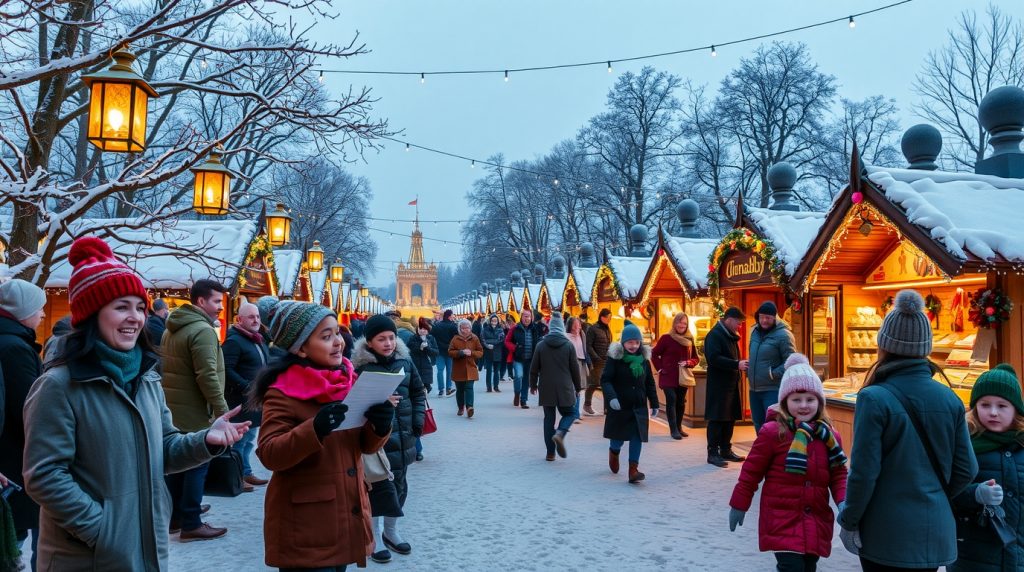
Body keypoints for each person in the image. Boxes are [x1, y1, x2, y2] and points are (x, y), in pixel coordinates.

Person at [22, 236, 249, 570]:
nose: (135, 317)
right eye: (121, 307)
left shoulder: (146, 379)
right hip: (89, 558)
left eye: (140, 308)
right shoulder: (58, 386)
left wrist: (206, 440)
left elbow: (164, 448)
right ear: (92, 315)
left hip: (146, 550)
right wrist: (103, 530)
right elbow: (44, 476)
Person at [838, 290, 978, 571]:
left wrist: (849, 521)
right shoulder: (950, 399)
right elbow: (967, 469)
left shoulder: (874, 398)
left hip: (885, 533)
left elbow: (864, 473)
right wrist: (934, 494)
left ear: (884, 345)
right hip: (935, 532)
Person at [250, 300, 394, 571]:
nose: (338, 342)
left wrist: (380, 426)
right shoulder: (282, 390)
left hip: (345, 514)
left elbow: (362, 446)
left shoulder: (346, 380)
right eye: (326, 337)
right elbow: (269, 453)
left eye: (337, 332)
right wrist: (313, 429)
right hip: (307, 527)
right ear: (301, 348)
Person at [728, 354, 848, 572]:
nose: (804, 405)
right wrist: (739, 504)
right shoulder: (773, 432)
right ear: (785, 401)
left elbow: (839, 475)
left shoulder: (829, 435)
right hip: (782, 518)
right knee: (791, 567)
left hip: (816, 518)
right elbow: (751, 472)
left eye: (810, 399)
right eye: (796, 399)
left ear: (820, 402)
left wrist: (843, 502)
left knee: (809, 567)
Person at [351, 315, 426, 564]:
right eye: (381, 339)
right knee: (377, 488)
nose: (388, 343)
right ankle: (374, 536)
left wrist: (417, 422)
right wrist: (380, 401)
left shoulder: (405, 361)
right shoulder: (360, 368)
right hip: (376, 441)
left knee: (401, 486)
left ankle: (391, 530)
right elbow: (353, 405)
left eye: (391, 338)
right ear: (369, 342)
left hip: (404, 436)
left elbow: (417, 392)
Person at [161, 278, 232, 540]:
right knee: (197, 463)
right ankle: (191, 521)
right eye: (217, 301)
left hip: (175, 409)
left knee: (178, 465)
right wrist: (222, 410)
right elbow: (207, 375)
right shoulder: (202, 330)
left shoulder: (172, 328)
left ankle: (175, 516)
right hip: (197, 410)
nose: (221, 307)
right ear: (201, 301)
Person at [950, 364, 1024, 572]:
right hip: (973, 558)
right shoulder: (963, 445)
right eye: (985, 405)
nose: (993, 412)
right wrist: (975, 493)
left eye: (1002, 406)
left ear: (1015, 409)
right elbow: (945, 491)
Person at [0, 279, 46, 570]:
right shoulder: (14, 348)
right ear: (23, 310)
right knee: (12, 536)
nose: (43, 314)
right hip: (13, 459)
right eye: (39, 308)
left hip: (10, 456)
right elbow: (27, 407)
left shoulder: (11, 341)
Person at [602, 321, 659, 484]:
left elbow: (649, 382)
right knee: (618, 438)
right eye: (630, 342)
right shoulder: (615, 358)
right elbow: (606, 380)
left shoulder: (644, 360)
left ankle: (633, 470)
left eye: (637, 342)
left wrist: (654, 403)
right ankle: (614, 452)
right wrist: (612, 398)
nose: (634, 345)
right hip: (620, 406)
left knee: (637, 437)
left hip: (639, 406)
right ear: (623, 342)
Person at [222, 301, 271, 489]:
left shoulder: (257, 339)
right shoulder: (234, 341)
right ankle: (237, 477)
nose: (256, 320)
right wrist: (247, 386)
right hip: (241, 400)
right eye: (251, 317)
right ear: (239, 319)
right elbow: (226, 369)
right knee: (240, 440)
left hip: (255, 399)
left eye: (257, 316)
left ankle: (246, 472)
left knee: (249, 439)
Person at [530, 313, 582, 461]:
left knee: (548, 419)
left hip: (546, 387)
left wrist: (533, 385)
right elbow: (575, 369)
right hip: (565, 387)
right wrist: (578, 387)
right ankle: (560, 432)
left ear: (550, 328)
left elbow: (534, 368)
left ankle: (550, 453)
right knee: (570, 413)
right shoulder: (568, 345)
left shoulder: (541, 345)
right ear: (562, 328)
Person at [704, 306, 749, 468]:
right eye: (738, 322)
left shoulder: (730, 335)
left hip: (731, 384)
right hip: (718, 386)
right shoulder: (715, 335)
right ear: (729, 320)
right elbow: (714, 358)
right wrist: (736, 364)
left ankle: (725, 449)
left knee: (729, 418)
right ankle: (712, 453)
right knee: (717, 418)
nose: (740, 326)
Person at [747, 301, 797, 433]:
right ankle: (762, 447)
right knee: (758, 424)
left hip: (773, 389)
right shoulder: (754, 332)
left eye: (768, 317)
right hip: (754, 389)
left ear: (775, 318)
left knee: (773, 425)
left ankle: (775, 447)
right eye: (761, 317)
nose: (764, 320)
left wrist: (773, 373)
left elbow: (791, 361)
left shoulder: (784, 335)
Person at [651, 312, 700, 440]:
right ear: (675, 323)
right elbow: (654, 354)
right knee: (671, 399)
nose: (682, 325)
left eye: (684, 323)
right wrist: (660, 368)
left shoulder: (689, 339)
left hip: (683, 376)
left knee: (680, 402)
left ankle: (679, 427)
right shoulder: (666, 338)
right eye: (679, 322)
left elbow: (696, 358)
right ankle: (673, 430)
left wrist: (688, 362)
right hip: (668, 375)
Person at [408, 318, 438, 462]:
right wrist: (419, 347)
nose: (422, 330)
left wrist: (427, 348)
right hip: (414, 375)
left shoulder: (431, 339)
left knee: (418, 410)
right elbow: (409, 351)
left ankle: (418, 447)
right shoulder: (412, 339)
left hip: (425, 375)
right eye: (420, 328)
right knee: (414, 412)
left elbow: (435, 353)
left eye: (425, 328)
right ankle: (417, 448)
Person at [509, 309, 544, 409]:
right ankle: (517, 393)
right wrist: (515, 348)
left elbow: (540, 340)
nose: (527, 318)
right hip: (518, 358)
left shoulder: (535, 329)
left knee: (526, 380)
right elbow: (507, 341)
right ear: (521, 317)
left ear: (531, 318)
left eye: (528, 316)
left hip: (530, 359)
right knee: (519, 376)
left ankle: (523, 400)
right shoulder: (515, 328)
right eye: (525, 316)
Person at [449, 319, 484, 417]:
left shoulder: (474, 338)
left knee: (469, 387)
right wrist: (460, 352)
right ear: (459, 329)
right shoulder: (455, 339)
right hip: (458, 368)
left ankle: (469, 407)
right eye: (463, 328)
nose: (465, 330)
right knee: (460, 389)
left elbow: (480, 352)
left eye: (467, 328)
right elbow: (450, 352)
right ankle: (461, 407)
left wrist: (472, 353)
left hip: (470, 367)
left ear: (470, 328)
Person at [584, 308, 613, 415]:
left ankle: (607, 408)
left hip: (606, 360)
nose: (609, 319)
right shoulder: (593, 329)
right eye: (608, 317)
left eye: (610, 317)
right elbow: (588, 346)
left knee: (606, 384)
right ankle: (587, 404)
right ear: (602, 317)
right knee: (594, 383)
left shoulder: (607, 329)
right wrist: (596, 357)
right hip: (597, 361)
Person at [565, 316, 589, 422]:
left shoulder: (582, 334)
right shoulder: (566, 337)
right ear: (570, 326)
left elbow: (585, 348)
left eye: (578, 325)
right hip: (571, 363)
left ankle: (577, 413)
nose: (578, 327)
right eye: (575, 325)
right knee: (574, 389)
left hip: (581, 363)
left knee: (581, 388)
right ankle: (574, 413)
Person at [432, 310, 458, 398]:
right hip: (450, 351)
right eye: (452, 315)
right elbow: (456, 338)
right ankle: (448, 388)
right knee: (449, 370)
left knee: (440, 370)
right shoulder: (453, 326)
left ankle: (441, 389)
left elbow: (432, 336)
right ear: (449, 316)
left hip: (439, 351)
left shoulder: (437, 325)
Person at [480, 314, 505, 392]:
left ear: (498, 321)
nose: (494, 322)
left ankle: (496, 386)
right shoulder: (485, 329)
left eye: (495, 320)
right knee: (489, 370)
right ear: (490, 321)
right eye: (493, 320)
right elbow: (482, 339)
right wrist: (487, 345)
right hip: (488, 352)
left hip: (497, 351)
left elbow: (501, 339)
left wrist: (490, 342)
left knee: (496, 371)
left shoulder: (500, 330)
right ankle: (489, 387)